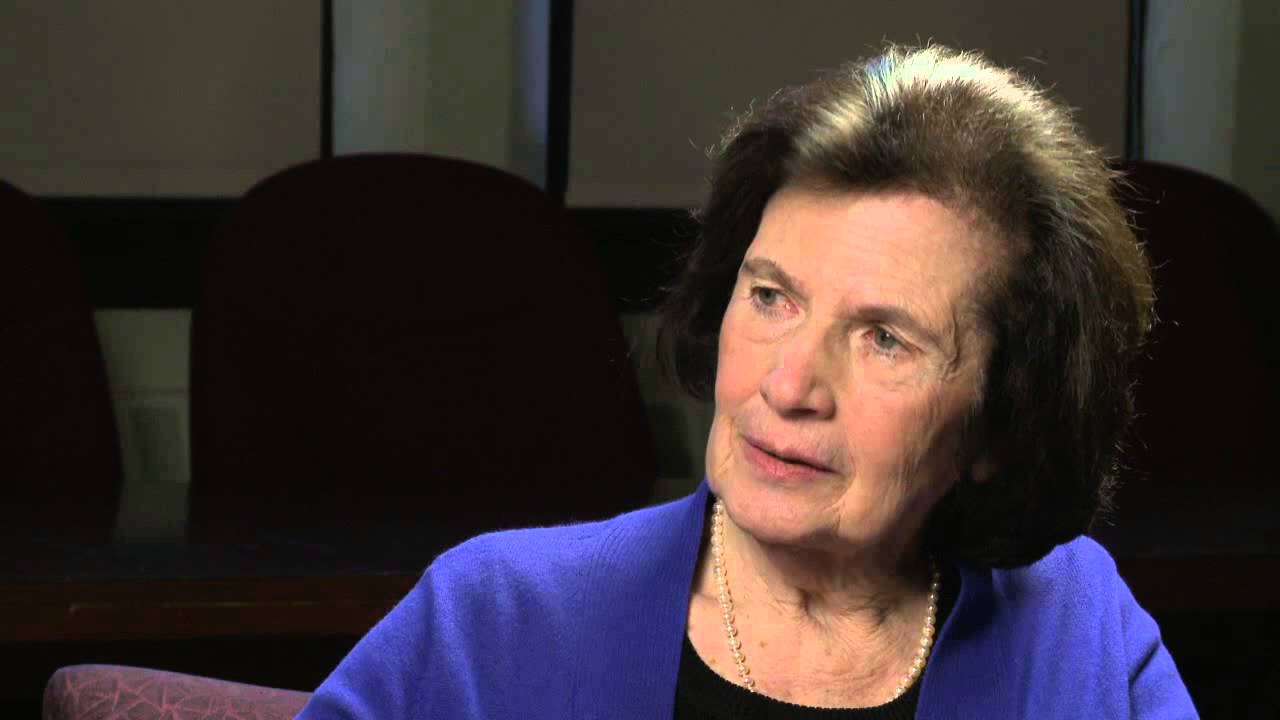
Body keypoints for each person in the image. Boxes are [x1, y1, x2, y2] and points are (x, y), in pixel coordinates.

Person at [296, 45, 1196, 719]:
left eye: (884, 339)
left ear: (1003, 420)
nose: (790, 382)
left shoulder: (1079, 630)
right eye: (771, 297)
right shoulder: (493, 619)